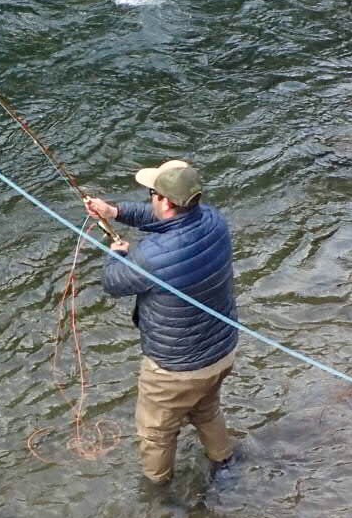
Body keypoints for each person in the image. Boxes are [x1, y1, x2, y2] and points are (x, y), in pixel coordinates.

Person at [83, 158, 239, 487]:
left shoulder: (151, 257)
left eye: (152, 193)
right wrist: (114, 212)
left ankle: (158, 494)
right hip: (221, 351)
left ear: (166, 201)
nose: (150, 198)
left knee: (155, 433)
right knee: (206, 409)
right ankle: (225, 464)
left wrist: (118, 253)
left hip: (175, 370)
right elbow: (161, 221)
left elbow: (113, 283)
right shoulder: (213, 220)